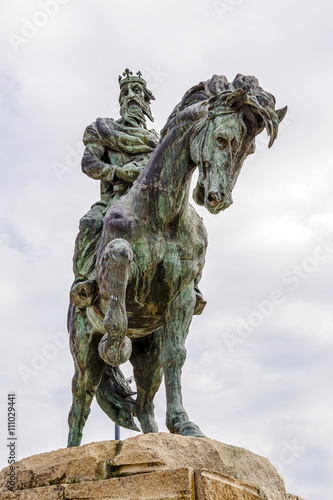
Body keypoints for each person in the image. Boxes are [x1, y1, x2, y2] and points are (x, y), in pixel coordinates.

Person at [70, 69, 159, 308]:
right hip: (114, 199)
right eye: (125, 92)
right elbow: (89, 163)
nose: (131, 96)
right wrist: (118, 172)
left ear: (146, 99)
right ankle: (85, 281)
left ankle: (190, 284)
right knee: (89, 223)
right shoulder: (105, 130)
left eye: (137, 91)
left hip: (153, 203)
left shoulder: (160, 141)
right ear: (120, 101)